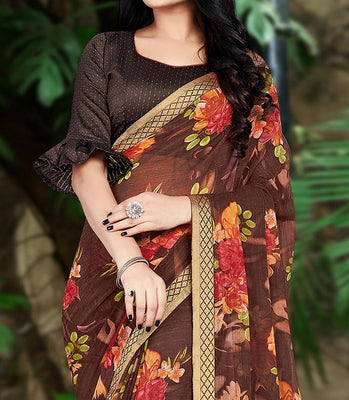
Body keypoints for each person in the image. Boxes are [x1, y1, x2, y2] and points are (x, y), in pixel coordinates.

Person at [32, 0, 302, 399]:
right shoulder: (107, 52)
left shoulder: (246, 71)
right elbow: (86, 173)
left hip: (209, 275)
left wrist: (184, 208)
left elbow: (270, 193)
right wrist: (132, 265)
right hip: (122, 270)